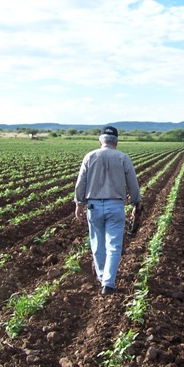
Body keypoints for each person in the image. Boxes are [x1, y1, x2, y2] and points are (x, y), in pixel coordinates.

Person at [74, 126, 142, 295]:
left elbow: (81, 182)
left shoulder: (90, 157)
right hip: (115, 206)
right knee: (114, 245)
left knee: (97, 244)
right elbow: (133, 184)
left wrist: (78, 204)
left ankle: (102, 276)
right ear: (116, 142)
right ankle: (109, 283)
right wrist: (136, 203)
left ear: (100, 141)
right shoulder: (123, 158)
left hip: (94, 206)